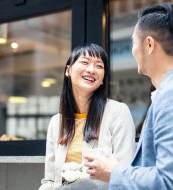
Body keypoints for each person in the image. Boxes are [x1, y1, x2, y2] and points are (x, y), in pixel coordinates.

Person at [84, 3, 173, 190]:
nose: (133, 50)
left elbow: (172, 183)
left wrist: (113, 172)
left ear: (148, 44)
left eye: (133, 42)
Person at [39, 43, 136, 190]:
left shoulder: (118, 112)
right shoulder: (56, 122)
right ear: (68, 70)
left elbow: (124, 173)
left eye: (99, 66)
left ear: (103, 78)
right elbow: (50, 181)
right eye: (84, 62)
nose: (91, 70)